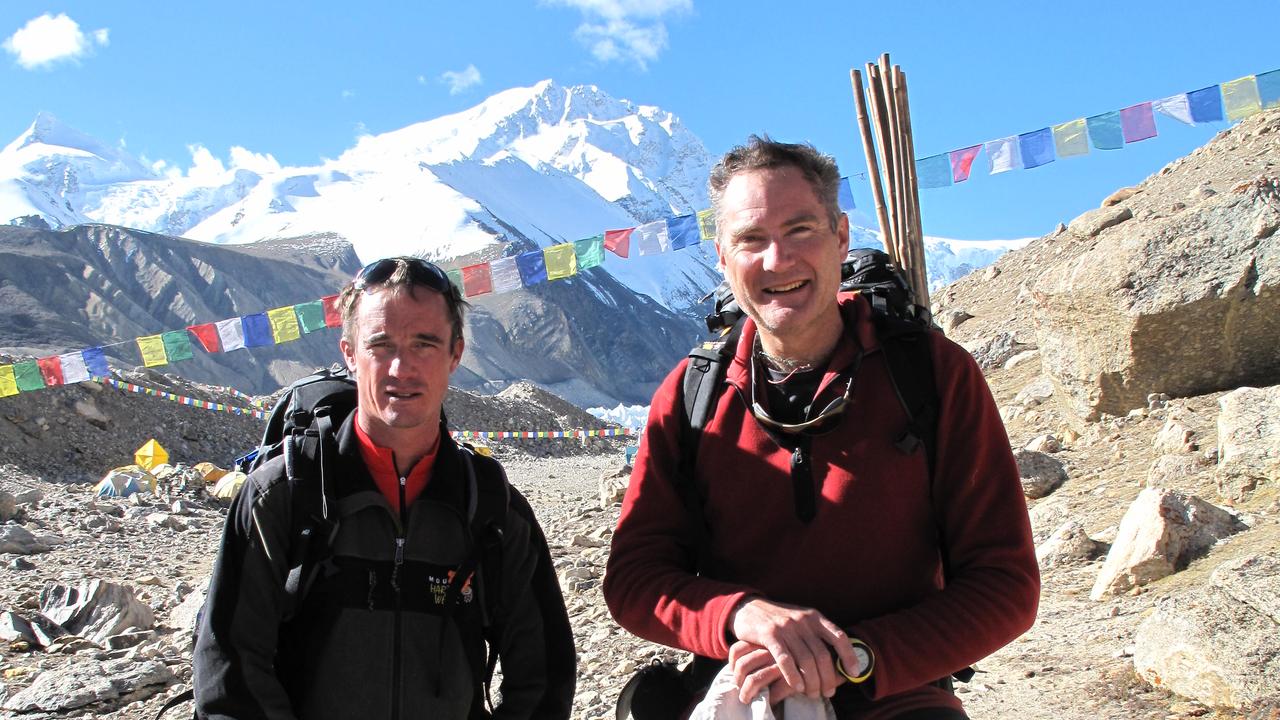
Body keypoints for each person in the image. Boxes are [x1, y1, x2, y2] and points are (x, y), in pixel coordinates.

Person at [603, 137, 1039, 719]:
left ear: (840, 236)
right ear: (722, 258)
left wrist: (852, 658)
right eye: (751, 240)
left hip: (896, 694)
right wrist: (741, 615)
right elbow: (635, 579)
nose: (777, 260)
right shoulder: (690, 396)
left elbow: (1003, 584)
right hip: (741, 684)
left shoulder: (931, 375)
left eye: (801, 229)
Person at [194, 257, 576, 719]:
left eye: (424, 344)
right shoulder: (282, 498)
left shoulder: (492, 510)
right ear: (350, 354)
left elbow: (544, 675)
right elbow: (230, 674)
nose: (402, 367)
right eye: (381, 344)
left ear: (456, 354)